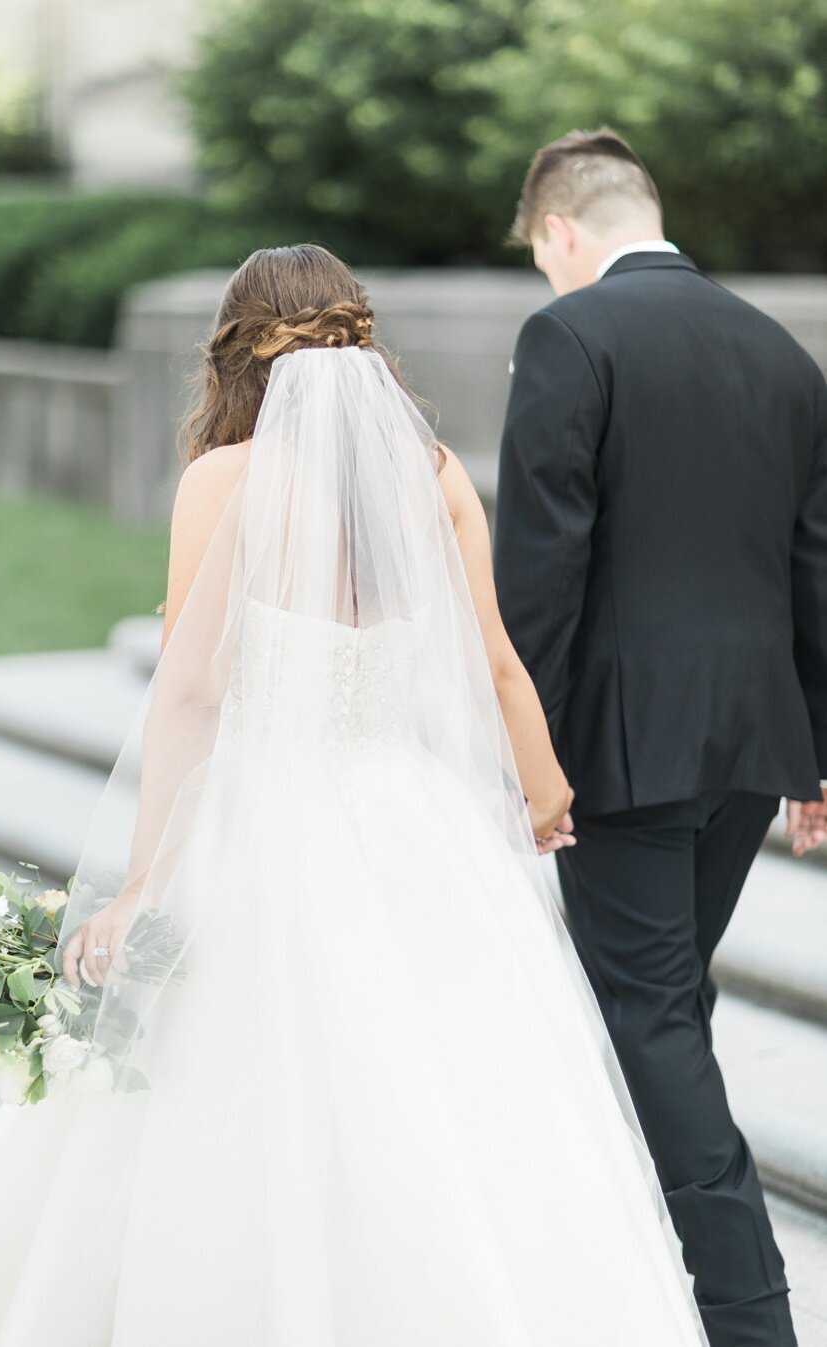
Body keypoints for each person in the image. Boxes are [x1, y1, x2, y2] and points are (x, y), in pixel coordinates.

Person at [0, 245, 708, 1346]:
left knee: (233, 1093)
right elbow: (493, 659)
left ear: (239, 356)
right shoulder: (430, 472)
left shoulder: (225, 480)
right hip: (413, 820)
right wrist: (544, 792)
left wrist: (146, 878)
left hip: (265, 820)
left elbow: (191, 695)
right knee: (455, 1095)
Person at [494, 129, 827, 1347]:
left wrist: (522, 744)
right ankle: (623, 1264)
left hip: (618, 750)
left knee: (652, 1015)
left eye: (541, 256)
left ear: (561, 231)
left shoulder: (569, 336)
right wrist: (817, 752)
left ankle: (750, 1315)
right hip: (749, 750)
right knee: (669, 1001)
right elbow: (818, 570)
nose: (546, 278)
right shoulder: (782, 355)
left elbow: (542, 569)